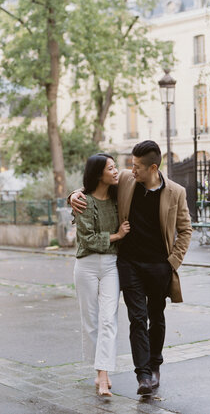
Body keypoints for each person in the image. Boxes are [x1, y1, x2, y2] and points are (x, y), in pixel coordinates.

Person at [71, 141, 192, 395]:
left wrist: (172, 262)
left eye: (136, 166)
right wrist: (72, 195)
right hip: (129, 265)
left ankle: (155, 364)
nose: (130, 170)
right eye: (130, 165)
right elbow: (94, 184)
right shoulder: (127, 180)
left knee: (156, 317)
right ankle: (143, 375)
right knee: (137, 318)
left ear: (153, 168)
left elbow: (185, 230)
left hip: (160, 266)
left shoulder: (176, 192)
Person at [73, 153, 130, 397]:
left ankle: (103, 376)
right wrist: (116, 236)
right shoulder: (83, 201)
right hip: (86, 265)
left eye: (116, 166)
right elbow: (87, 240)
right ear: (99, 174)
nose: (116, 171)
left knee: (109, 319)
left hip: (110, 264)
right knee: (91, 321)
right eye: (111, 167)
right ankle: (99, 372)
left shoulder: (119, 197)